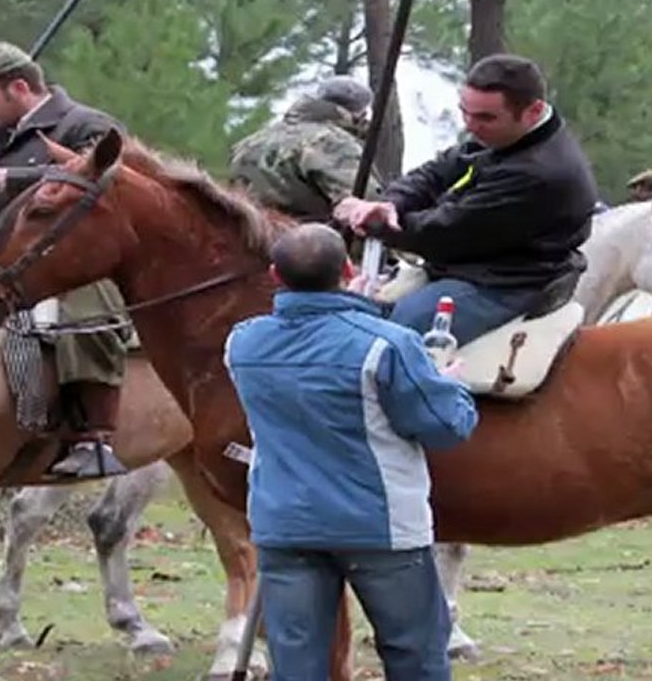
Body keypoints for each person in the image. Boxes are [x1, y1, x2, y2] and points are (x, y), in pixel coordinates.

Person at [223, 223, 478, 681]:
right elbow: (445, 427)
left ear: (275, 276)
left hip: (285, 526)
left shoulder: (242, 342)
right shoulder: (388, 343)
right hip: (381, 528)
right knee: (415, 656)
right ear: (347, 269)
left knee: (296, 666)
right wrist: (451, 385)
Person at [0, 41, 132, 479]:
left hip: (73, 261)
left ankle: (93, 438)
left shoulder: (88, 125)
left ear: (18, 87)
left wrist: (22, 178)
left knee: (86, 315)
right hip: (3, 255)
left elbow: (108, 180)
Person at [333, 53, 598, 345]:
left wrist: (376, 224)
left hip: (506, 283)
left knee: (383, 338)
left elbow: (446, 232)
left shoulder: (541, 172)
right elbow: (435, 172)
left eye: (485, 117)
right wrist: (390, 204)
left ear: (533, 111)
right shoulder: (509, 136)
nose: (470, 126)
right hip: (475, 265)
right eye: (465, 112)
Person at [229, 76, 379, 222]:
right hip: (310, 236)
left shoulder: (250, 142)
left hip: (249, 235)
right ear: (360, 113)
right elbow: (368, 204)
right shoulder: (331, 141)